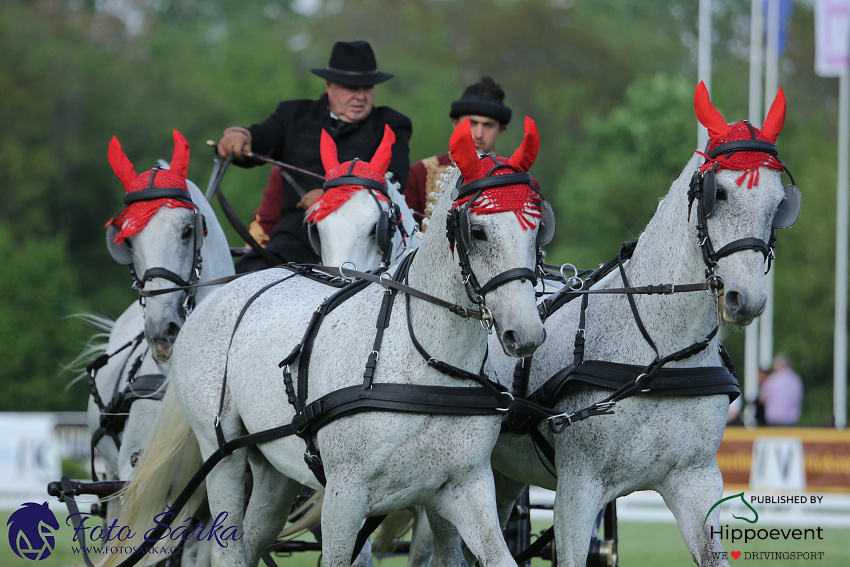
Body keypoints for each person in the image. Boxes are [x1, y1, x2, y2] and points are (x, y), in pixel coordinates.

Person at [217, 40, 413, 272]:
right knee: (244, 277)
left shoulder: (392, 123)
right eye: (351, 88)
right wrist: (238, 136)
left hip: (364, 241)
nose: (360, 96)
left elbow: (394, 179)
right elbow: (257, 140)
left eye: (367, 88)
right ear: (329, 86)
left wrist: (329, 198)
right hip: (297, 235)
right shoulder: (293, 114)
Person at [404, 77, 536, 229]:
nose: (479, 134)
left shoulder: (524, 182)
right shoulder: (418, 175)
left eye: (488, 125)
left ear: (501, 130)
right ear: (455, 123)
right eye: (472, 123)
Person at [759, 352, 803, 426]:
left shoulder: (772, 380)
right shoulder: (796, 380)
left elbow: (763, 399)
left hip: (775, 421)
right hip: (792, 422)